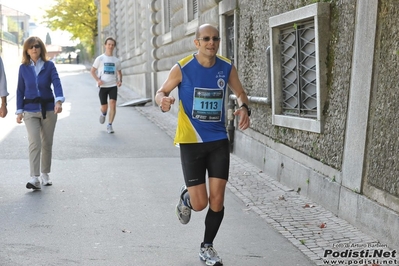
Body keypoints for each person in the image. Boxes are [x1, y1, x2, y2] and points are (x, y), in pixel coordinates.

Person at [155, 24, 251, 266]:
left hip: (218, 140)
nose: (212, 43)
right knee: (201, 204)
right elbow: (161, 91)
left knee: (217, 200)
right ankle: (187, 197)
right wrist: (163, 101)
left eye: (215, 39)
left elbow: (240, 92)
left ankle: (207, 247)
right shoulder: (183, 67)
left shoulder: (226, 66)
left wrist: (244, 108)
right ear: (197, 42)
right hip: (191, 141)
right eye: (206, 39)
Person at [16, 36, 65, 190]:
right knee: (34, 142)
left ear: (41, 48)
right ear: (27, 50)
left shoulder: (49, 66)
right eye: (31, 47)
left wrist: (59, 101)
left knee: (47, 143)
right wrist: (19, 111)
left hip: (49, 109)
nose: (34, 49)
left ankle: (45, 174)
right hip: (30, 111)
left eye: (37, 46)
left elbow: (57, 84)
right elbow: (20, 90)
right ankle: (34, 177)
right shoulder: (23, 68)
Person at [90, 37, 122, 133]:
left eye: (112, 45)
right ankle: (103, 113)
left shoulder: (116, 60)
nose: (110, 46)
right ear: (105, 45)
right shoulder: (100, 59)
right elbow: (92, 71)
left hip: (112, 86)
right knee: (104, 107)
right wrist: (98, 80)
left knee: (113, 104)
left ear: (114, 46)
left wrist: (120, 81)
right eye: (109, 44)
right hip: (103, 86)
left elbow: (119, 73)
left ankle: (109, 125)